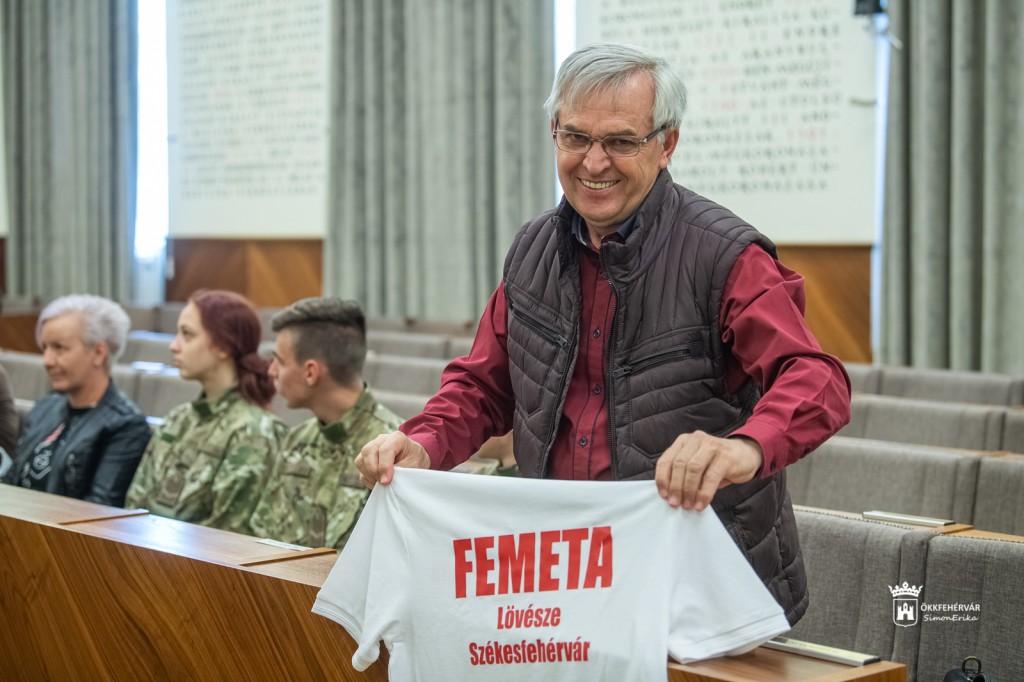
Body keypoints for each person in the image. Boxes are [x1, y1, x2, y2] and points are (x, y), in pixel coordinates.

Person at [356, 43, 851, 626]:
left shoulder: (725, 256)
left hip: (700, 584)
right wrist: (423, 443)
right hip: (563, 573)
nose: (594, 163)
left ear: (666, 144)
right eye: (576, 137)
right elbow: (485, 385)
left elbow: (816, 379)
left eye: (620, 141)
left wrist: (743, 447)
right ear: (554, 134)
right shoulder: (532, 250)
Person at [126, 289, 287, 534]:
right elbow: (135, 505)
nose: (174, 346)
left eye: (187, 335)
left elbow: (225, 536)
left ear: (223, 346)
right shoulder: (178, 418)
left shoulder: (253, 431)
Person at [248, 297, 401, 549]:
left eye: (280, 362)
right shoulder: (296, 439)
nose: (271, 371)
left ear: (311, 372)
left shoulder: (392, 451)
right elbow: (262, 540)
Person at [2, 295, 151, 506]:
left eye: (59, 348)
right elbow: (12, 480)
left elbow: (98, 512)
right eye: (45, 348)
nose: (47, 361)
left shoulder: (125, 427)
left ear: (98, 353)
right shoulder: (46, 407)